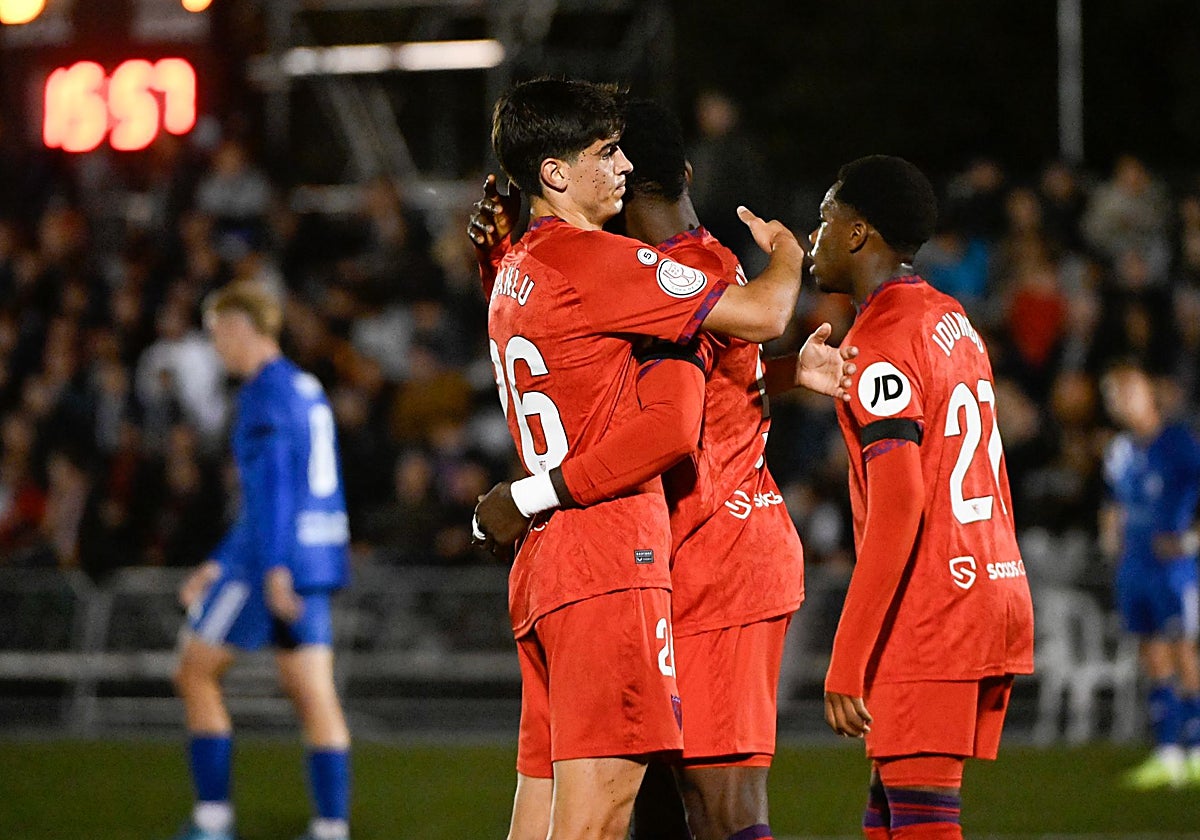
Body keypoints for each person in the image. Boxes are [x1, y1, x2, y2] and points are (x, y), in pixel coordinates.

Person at [473, 98, 856, 840]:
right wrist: (785, 254)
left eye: (623, 154)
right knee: (616, 813)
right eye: (605, 153)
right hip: (619, 556)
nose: (620, 167)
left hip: (699, 557)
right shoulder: (643, 274)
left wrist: (773, 373)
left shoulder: (524, 264)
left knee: (686, 808)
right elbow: (683, 413)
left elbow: (705, 376)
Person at [809, 156, 1034, 839]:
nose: (815, 237)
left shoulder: (880, 339)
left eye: (824, 221)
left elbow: (902, 504)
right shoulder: (951, 316)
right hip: (986, 581)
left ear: (857, 234)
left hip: (934, 603)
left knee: (923, 825)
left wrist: (847, 655)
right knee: (890, 817)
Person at [169, 282, 352, 840]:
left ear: (240, 327)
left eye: (216, 332)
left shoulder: (261, 393)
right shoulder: (306, 385)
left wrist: (264, 568)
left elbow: (271, 490)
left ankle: (212, 820)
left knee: (194, 672)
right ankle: (330, 830)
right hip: (317, 554)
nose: (215, 346)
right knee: (314, 693)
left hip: (270, 559)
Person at [1100, 360, 1200, 788]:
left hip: (1173, 568)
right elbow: (1113, 502)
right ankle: (1168, 752)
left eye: (1129, 390)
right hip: (1135, 566)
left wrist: (1192, 539)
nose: (1123, 401)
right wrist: (1110, 537)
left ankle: (1196, 748)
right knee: (1153, 653)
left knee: (1183, 652)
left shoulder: (1177, 442)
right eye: (1115, 395)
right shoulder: (1120, 450)